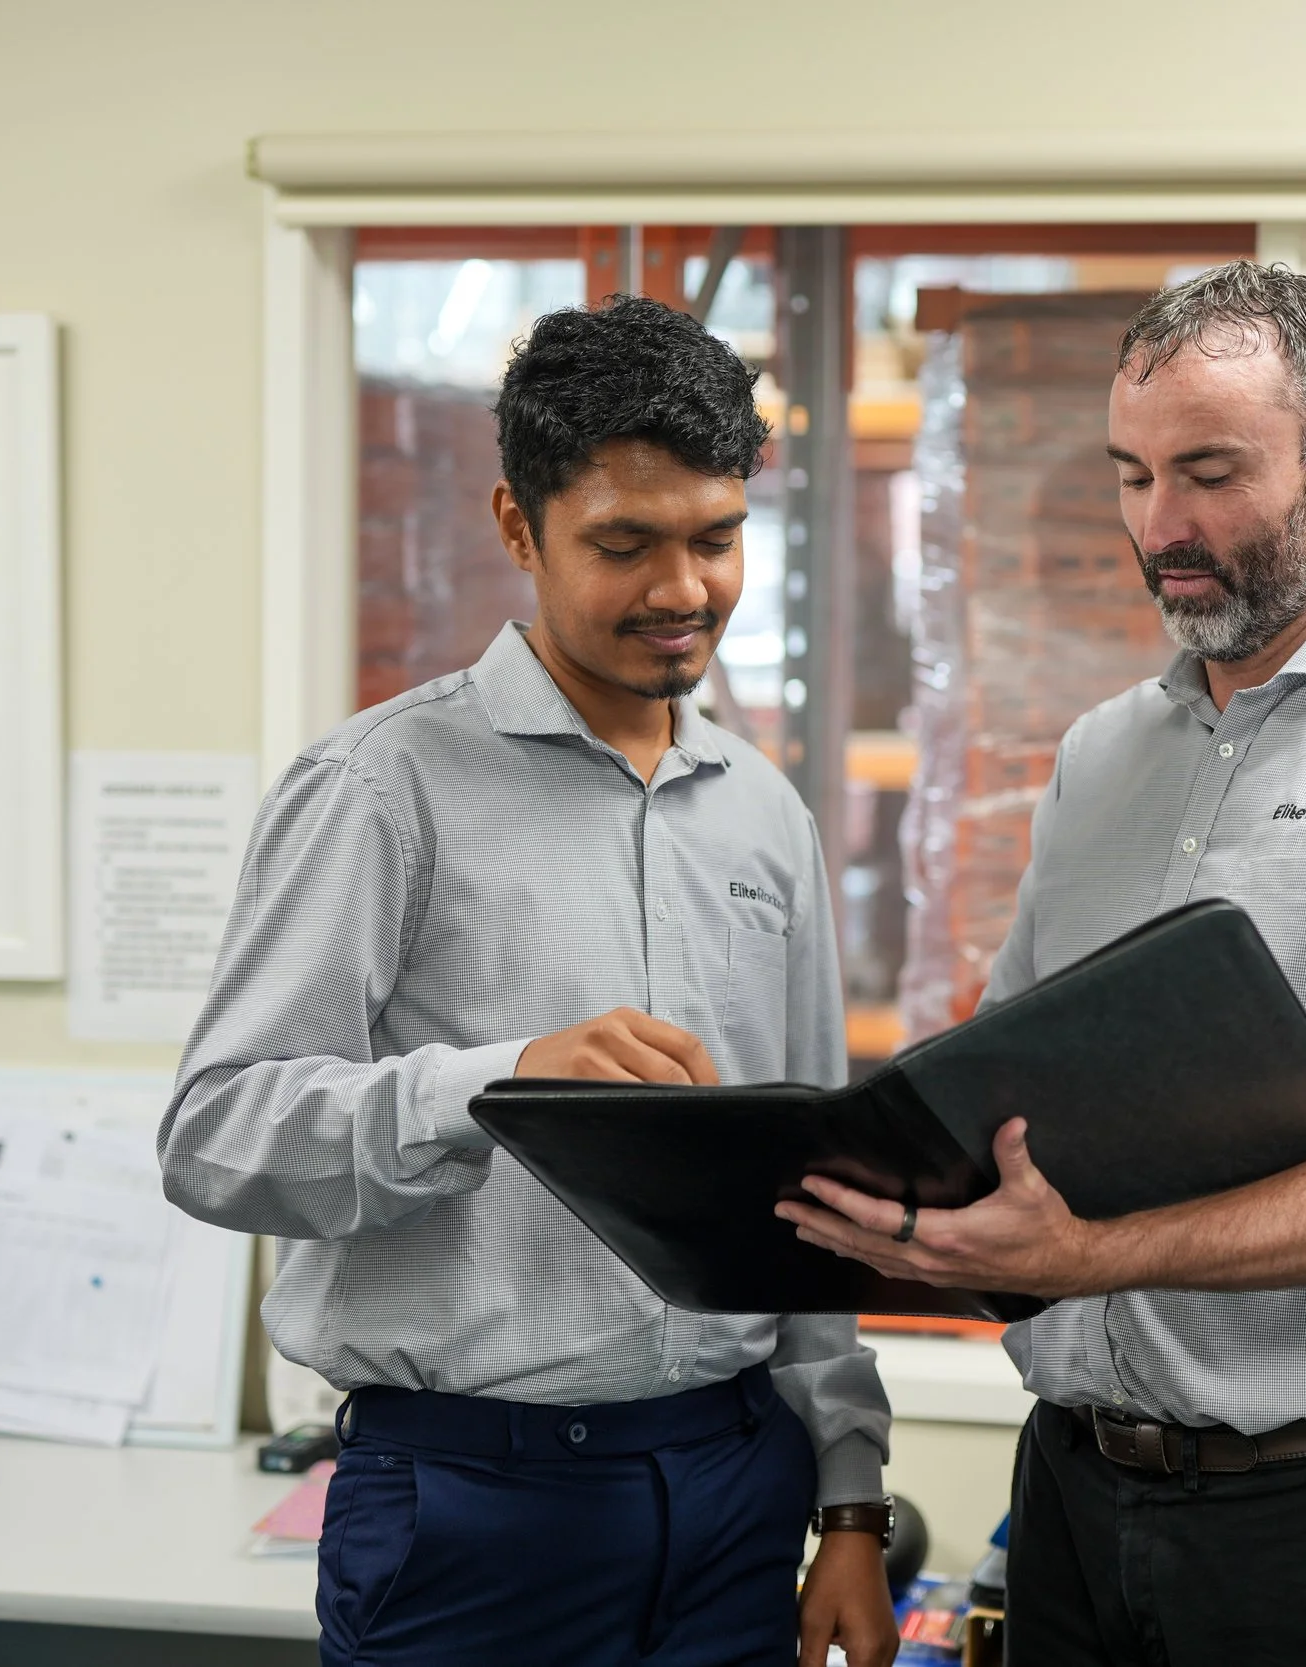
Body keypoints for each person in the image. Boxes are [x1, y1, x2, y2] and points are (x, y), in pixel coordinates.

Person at [780, 264, 1306, 1665]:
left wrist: (1083, 1255)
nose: (1160, 527)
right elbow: (1014, 1087)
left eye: (1211, 473)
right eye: (1132, 474)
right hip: (1071, 1498)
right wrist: (896, 1197)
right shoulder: (1104, 757)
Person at [161, 297, 898, 1667]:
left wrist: (850, 1494)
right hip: (470, 1506)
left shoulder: (764, 817)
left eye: (717, 538)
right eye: (625, 543)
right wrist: (489, 1087)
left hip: (740, 1488)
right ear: (518, 526)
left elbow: (806, 1189)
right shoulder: (379, 788)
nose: (683, 589)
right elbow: (214, 1137)